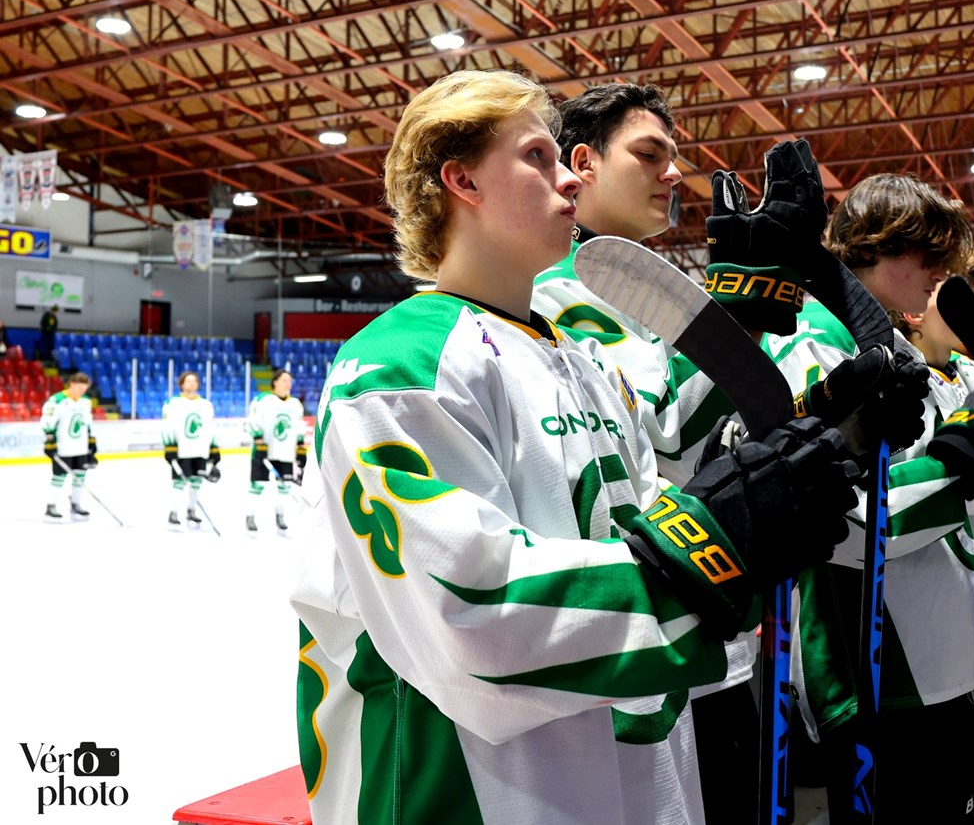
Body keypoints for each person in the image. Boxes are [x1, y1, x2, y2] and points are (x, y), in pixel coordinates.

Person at [290, 69, 865, 824]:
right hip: (468, 791)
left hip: (621, 771)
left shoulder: (582, 360)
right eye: (536, 157)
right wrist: (706, 551)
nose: (567, 178)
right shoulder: (398, 367)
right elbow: (465, 610)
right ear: (462, 180)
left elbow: (657, 499)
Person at [758, 172, 974, 821]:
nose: (942, 269)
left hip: (938, 652)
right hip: (878, 667)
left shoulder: (887, 343)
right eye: (925, 251)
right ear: (872, 245)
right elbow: (844, 518)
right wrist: (964, 464)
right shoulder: (814, 340)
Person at [534, 82, 758, 823]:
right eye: (649, 153)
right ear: (583, 164)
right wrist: (743, 314)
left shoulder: (645, 291)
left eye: (674, 156)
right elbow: (670, 433)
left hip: (696, 616)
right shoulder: (559, 289)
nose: (674, 173)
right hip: (645, 629)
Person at [245, 369, 306, 534]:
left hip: (286, 452)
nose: (288, 383)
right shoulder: (263, 400)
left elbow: (299, 426)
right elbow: (252, 420)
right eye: (284, 380)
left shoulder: (295, 404)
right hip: (265, 450)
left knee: (285, 486)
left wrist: (301, 448)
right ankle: (250, 516)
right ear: (275, 382)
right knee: (258, 484)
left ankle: (280, 516)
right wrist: (258, 440)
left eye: (290, 380)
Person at [161, 370, 219, 529]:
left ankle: (191, 510)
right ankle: (173, 512)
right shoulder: (173, 403)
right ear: (181, 384)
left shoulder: (206, 405)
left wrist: (214, 448)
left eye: (195, 381)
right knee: (179, 482)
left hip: (200, 450)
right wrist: (169, 447)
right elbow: (167, 426)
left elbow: (211, 427)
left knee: (196, 481)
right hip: (182, 450)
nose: (192, 384)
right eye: (188, 381)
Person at [40, 371, 96, 520]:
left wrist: (92, 444)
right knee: (59, 476)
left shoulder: (86, 401)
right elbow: (47, 422)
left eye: (84, 389)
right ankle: (51, 506)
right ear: (72, 384)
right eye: (80, 388)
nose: (82, 391)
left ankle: (76, 504)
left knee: (80, 476)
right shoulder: (57, 401)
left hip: (80, 447)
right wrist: (50, 442)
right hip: (63, 447)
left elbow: (88, 424)